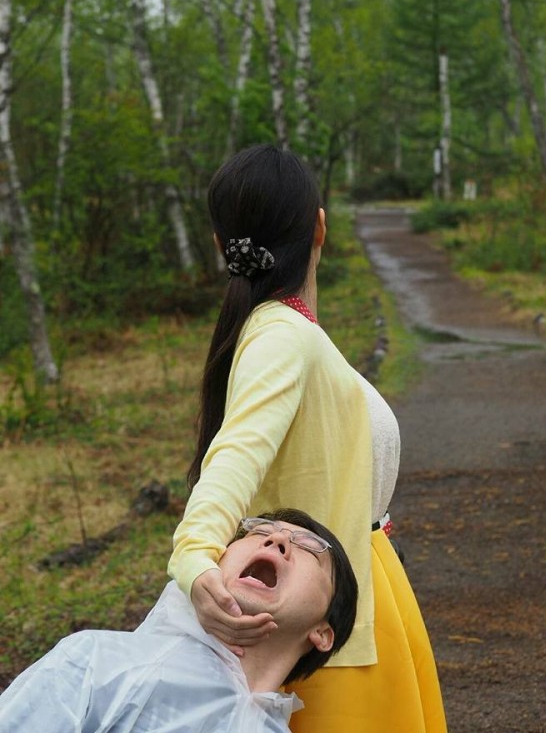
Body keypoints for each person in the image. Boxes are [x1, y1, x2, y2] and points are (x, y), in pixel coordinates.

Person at [168, 143, 447, 732]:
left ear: (222, 245)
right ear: (320, 227)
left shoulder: (285, 333)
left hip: (352, 604)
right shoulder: (281, 338)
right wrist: (194, 559)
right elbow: (233, 458)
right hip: (325, 636)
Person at [0, 509, 358, 733]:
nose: (277, 539)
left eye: (310, 547)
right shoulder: (97, 663)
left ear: (323, 633)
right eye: (258, 531)